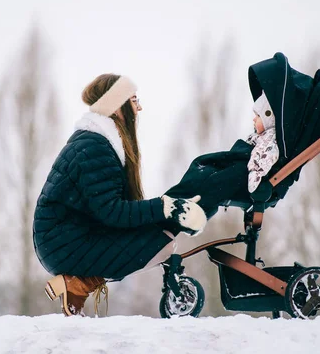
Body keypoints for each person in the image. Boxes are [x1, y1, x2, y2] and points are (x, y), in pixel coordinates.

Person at [33, 73, 207, 317]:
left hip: (66, 238)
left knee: (153, 237)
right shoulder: (95, 147)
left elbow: (109, 210)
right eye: (134, 100)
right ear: (117, 107)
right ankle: (77, 284)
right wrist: (165, 207)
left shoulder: (96, 143)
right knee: (162, 242)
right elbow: (113, 211)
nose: (140, 107)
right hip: (64, 243)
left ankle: (77, 285)